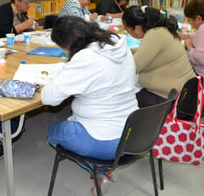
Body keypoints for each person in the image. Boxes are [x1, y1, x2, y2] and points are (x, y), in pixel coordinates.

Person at [41, 16, 139, 194]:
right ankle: (105, 170)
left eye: (63, 48)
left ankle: (101, 172)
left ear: (68, 44)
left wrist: (66, 68)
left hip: (107, 139)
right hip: (133, 132)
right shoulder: (116, 42)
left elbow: (48, 98)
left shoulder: (85, 58)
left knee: (52, 132)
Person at [122, 5, 195, 108]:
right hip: (184, 95)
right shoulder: (163, 30)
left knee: (124, 96)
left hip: (173, 101)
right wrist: (131, 51)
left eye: (128, 30)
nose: (129, 34)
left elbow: (134, 67)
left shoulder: (154, 35)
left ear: (138, 27)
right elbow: (152, 51)